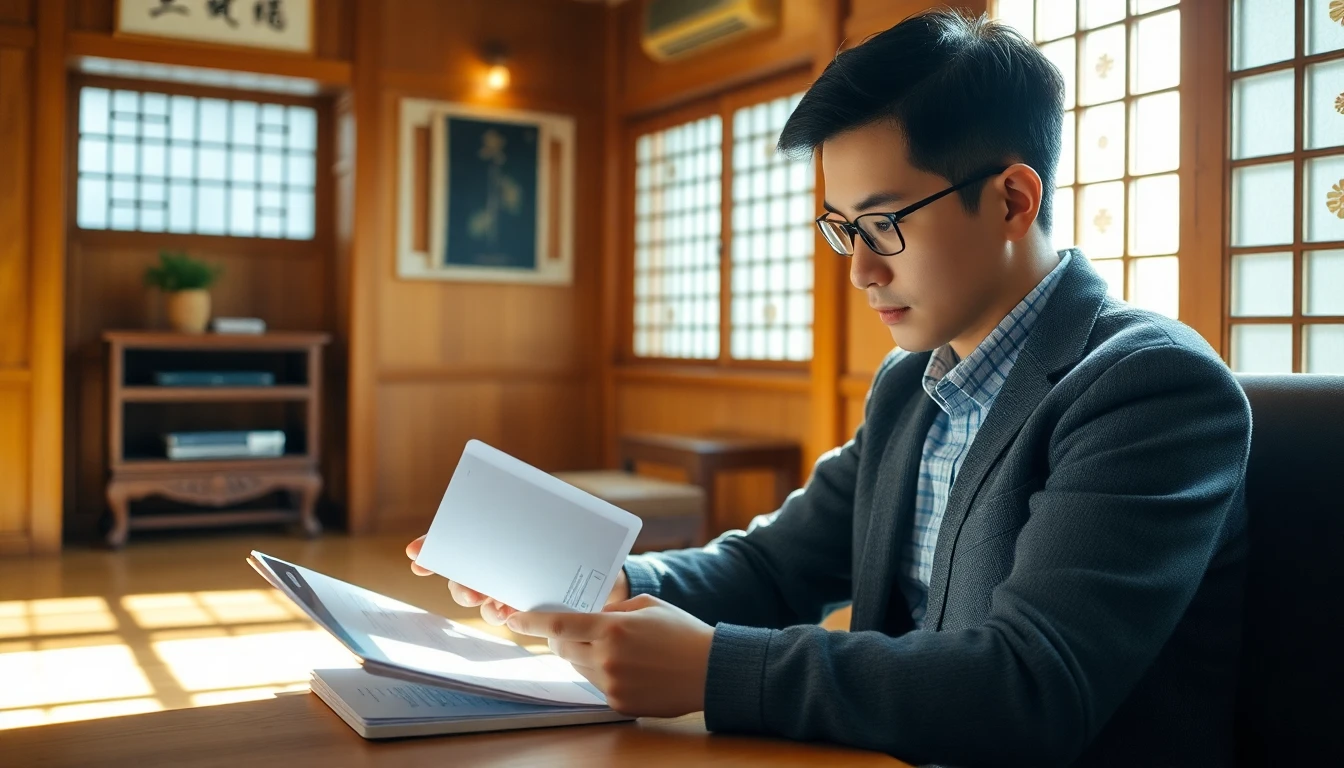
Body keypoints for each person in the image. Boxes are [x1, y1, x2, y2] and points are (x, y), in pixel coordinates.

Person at [406, 9, 1251, 767]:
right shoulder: (910, 385)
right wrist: (603, 586)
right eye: (842, 227)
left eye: (884, 224)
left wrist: (713, 667)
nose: (860, 269)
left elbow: (1033, 688)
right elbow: (777, 565)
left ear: (1013, 200)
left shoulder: (1148, 388)